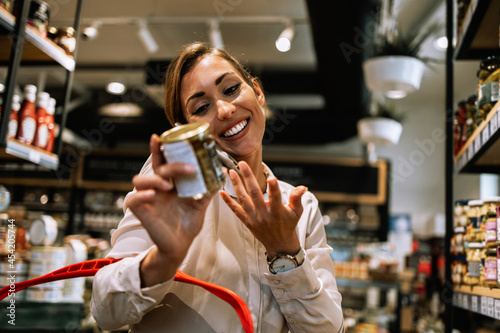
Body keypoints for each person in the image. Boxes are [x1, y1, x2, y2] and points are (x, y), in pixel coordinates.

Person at [90, 42, 343, 333]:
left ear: (258, 93)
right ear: (184, 129)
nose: (224, 110)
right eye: (201, 107)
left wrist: (285, 250)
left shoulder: (300, 206)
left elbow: (328, 329)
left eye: (231, 89)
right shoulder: (177, 183)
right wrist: (164, 257)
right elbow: (105, 309)